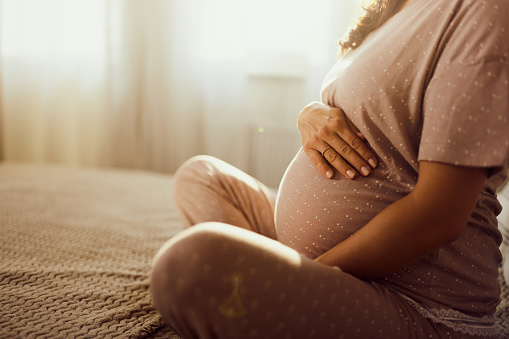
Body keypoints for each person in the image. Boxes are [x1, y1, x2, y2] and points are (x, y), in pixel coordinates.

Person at [150, 0, 509, 337]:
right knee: (202, 176)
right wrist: (309, 113)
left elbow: (439, 214)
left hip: (420, 305)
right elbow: (369, 110)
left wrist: (299, 276)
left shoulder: (481, 10)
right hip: (339, 262)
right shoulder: (392, 8)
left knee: (189, 265)